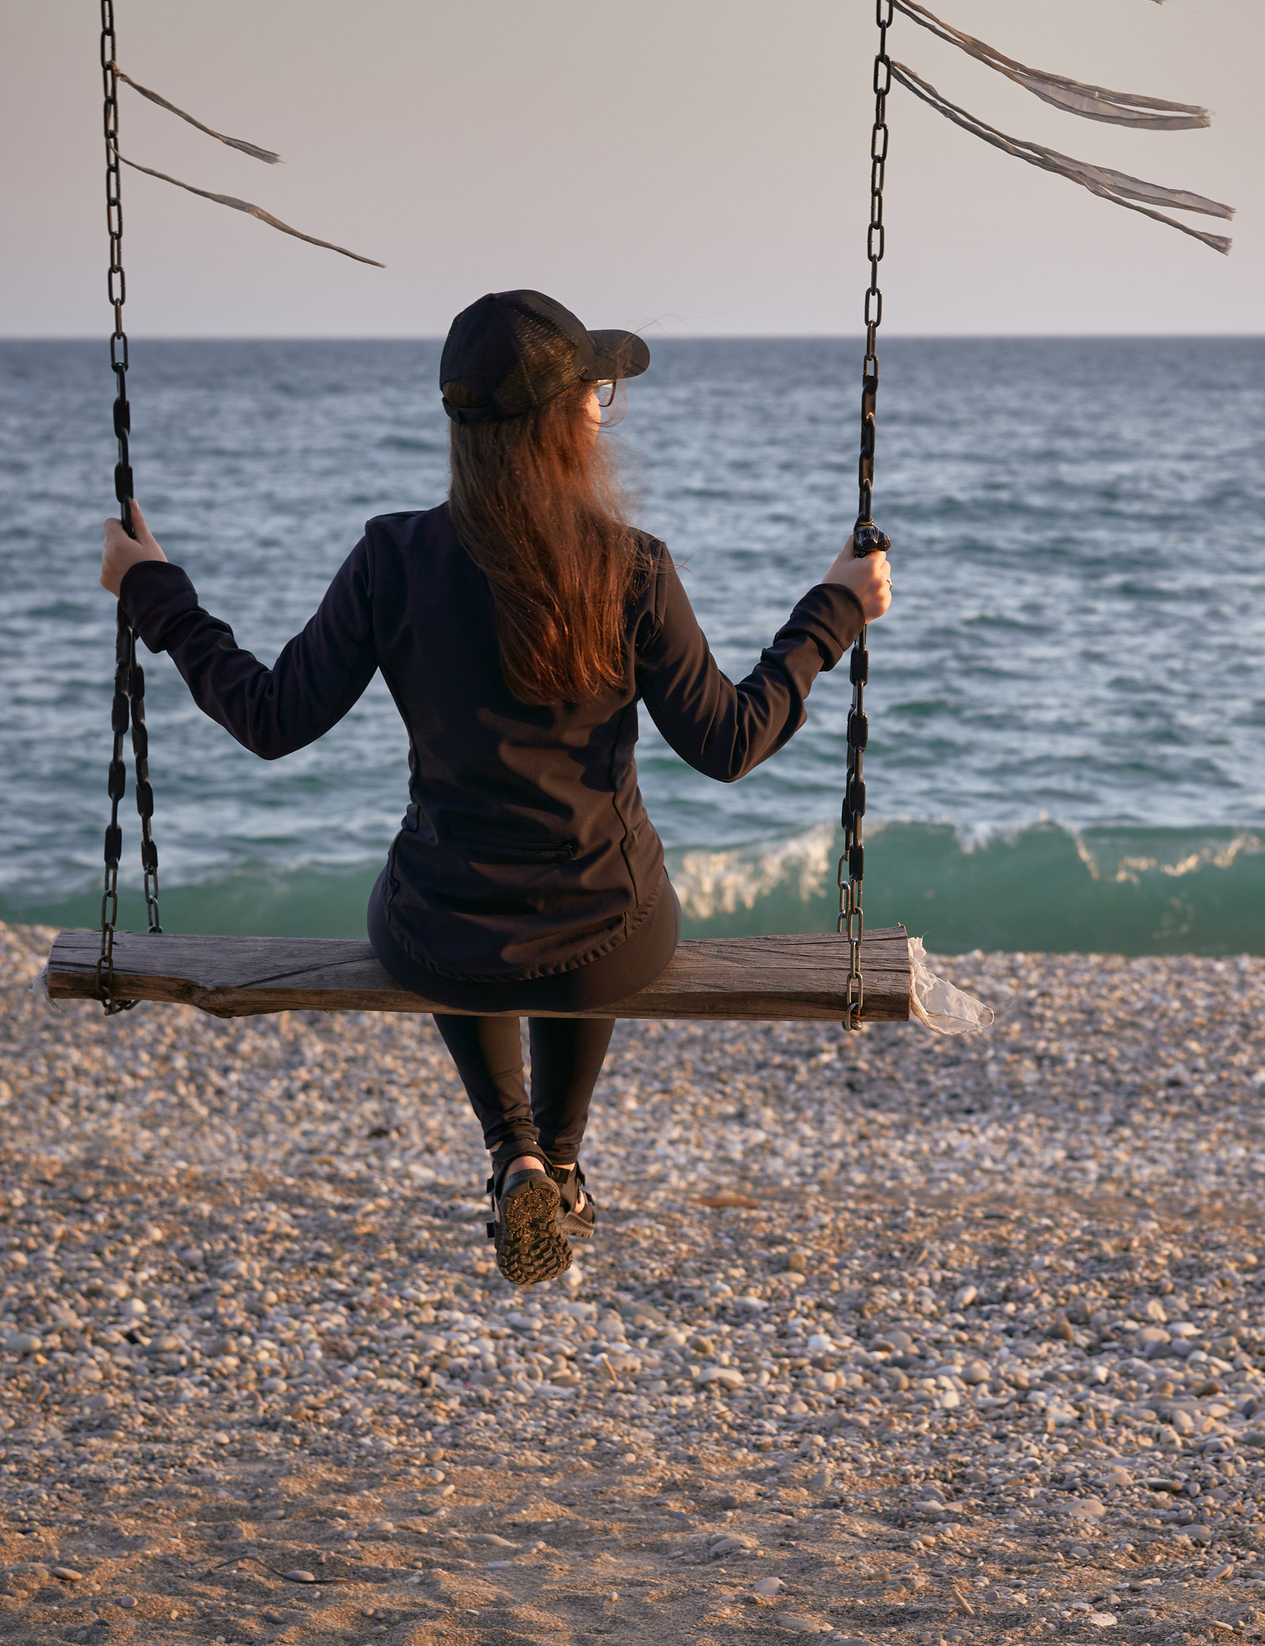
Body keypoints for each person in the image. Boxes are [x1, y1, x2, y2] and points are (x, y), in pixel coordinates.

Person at [96, 288, 892, 1286]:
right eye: (597, 392)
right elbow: (730, 741)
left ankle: (513, 1150)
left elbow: (269, 717)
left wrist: (153, 590)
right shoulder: (629, 568)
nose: (605, 408)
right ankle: (554, 1160)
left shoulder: (392, 557)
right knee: (607, 885)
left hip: (441, 939)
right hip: (609, 939)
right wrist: (833, 611)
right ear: (567, 423)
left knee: (439, 888)